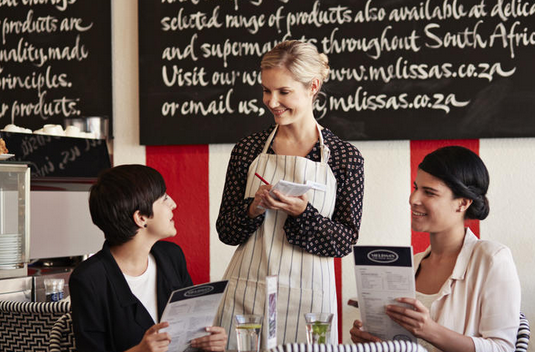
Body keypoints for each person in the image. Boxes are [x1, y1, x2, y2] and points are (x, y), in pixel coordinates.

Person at [216, 40, 364, 348]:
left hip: (309, 299)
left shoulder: (344, 157)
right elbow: (226, 231)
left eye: (284, 92)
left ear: (313, 86)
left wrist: (303, 213)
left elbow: (344, 241)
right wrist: (252, 208)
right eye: (266, 91)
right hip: (248, 293)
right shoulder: (248, 149)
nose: (271, 102)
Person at [350, 146, 521, 352]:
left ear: (463, 203)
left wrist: (430, 330)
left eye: (429, 192)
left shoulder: (492, 259)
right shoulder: (411, 264)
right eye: (416, 188)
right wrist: (374, 343)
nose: (413, 199)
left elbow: (503, 348)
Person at [69, 165, 227, 352]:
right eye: (164, 198)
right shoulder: (89, 279)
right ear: (141, 217)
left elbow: (188, 335)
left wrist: (207, 343)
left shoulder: (171, 256)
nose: (173, 204)